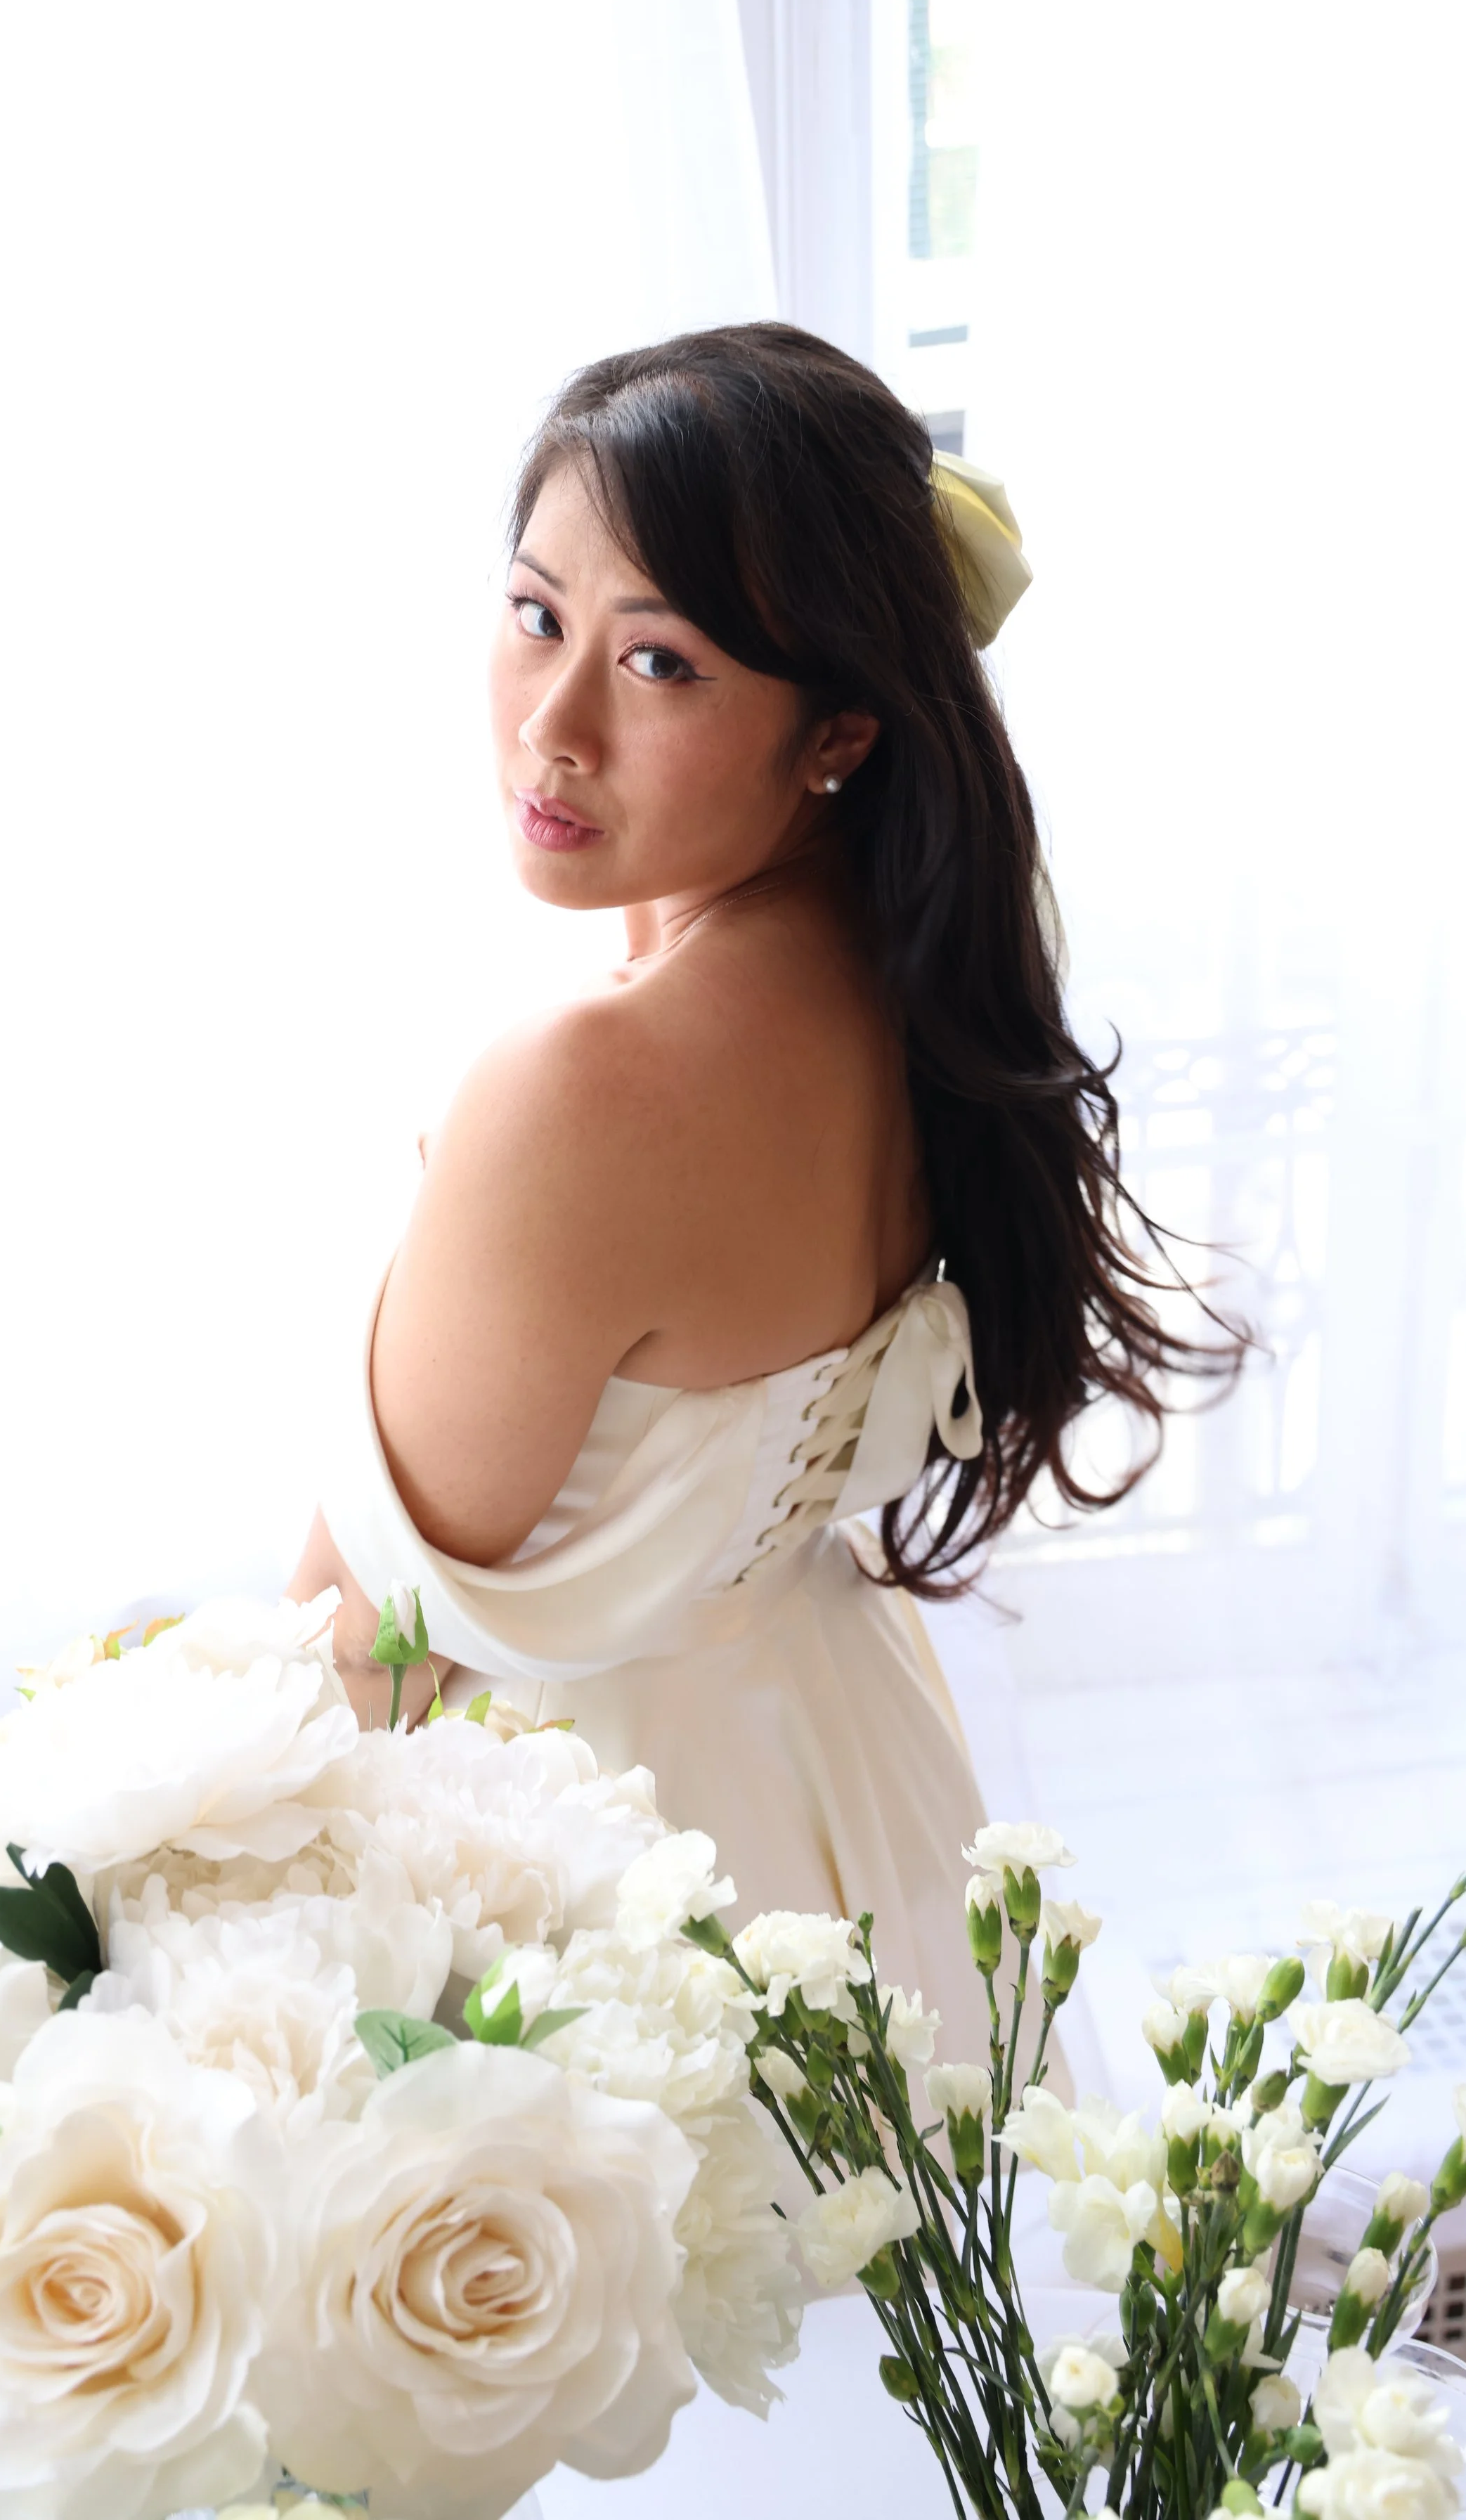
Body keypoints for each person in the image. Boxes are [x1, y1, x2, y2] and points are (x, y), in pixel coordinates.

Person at [288, 323, 1233, 2048]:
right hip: (840, 1792)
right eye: (535, 615)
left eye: (660, 662)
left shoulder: (585, 1091)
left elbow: (352, 1653)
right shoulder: (923, 972)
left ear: (835, 731)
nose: (552, 725)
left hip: (588, 1886)